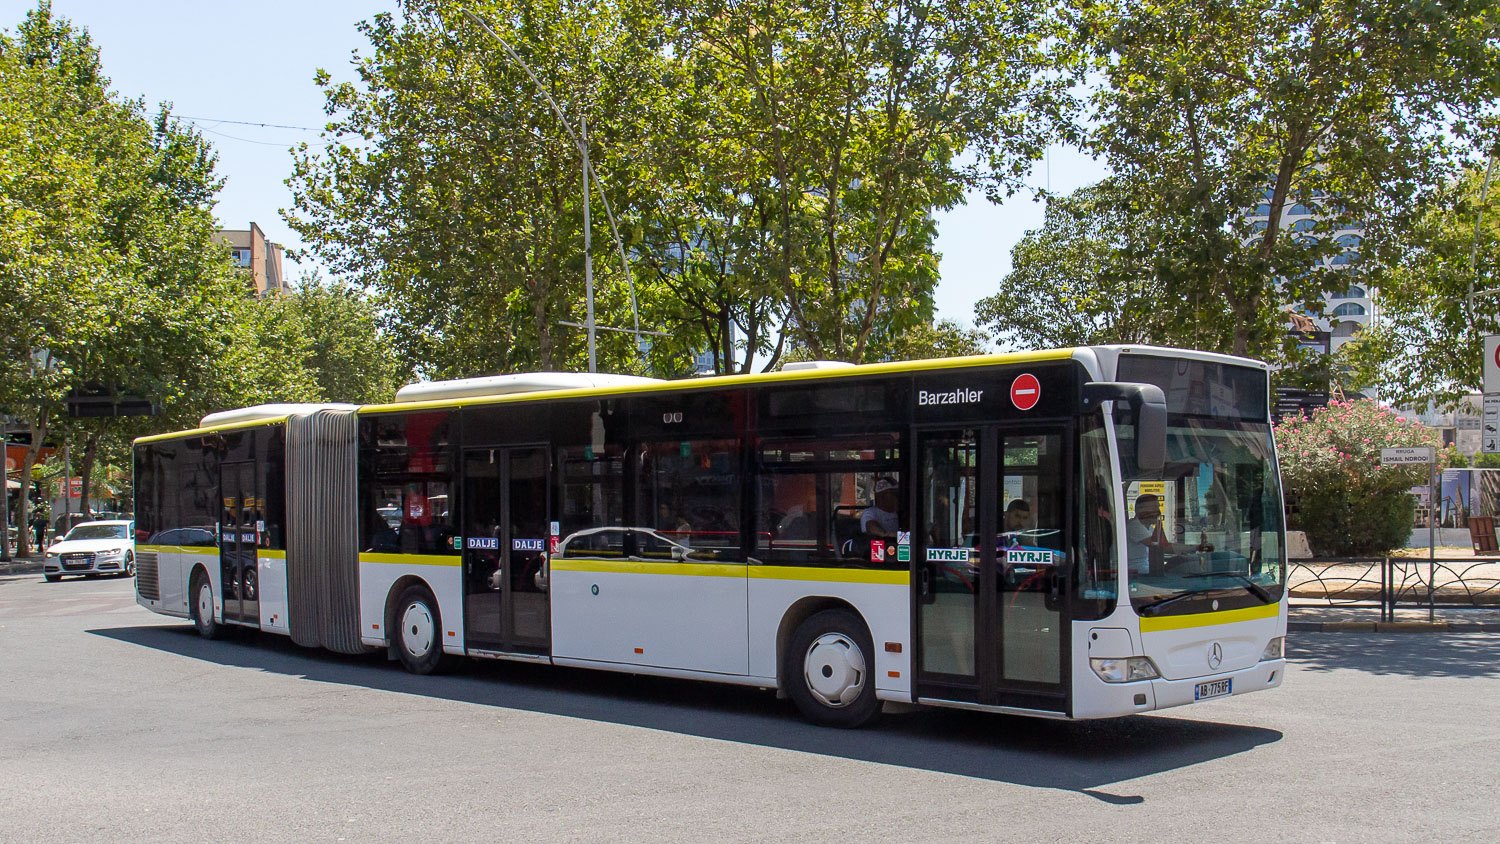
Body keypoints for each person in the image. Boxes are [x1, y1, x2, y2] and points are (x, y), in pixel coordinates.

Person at [1126, 494, 1210, 575]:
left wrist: (1184, 550)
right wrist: (1194, 548)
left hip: (1146, 569)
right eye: (1154, 508)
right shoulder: (1134, 526)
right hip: (1136, 573)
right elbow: (1162, 547)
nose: (1158, 511)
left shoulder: (1149, 528)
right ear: (1140, 510)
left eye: (1158, 507)